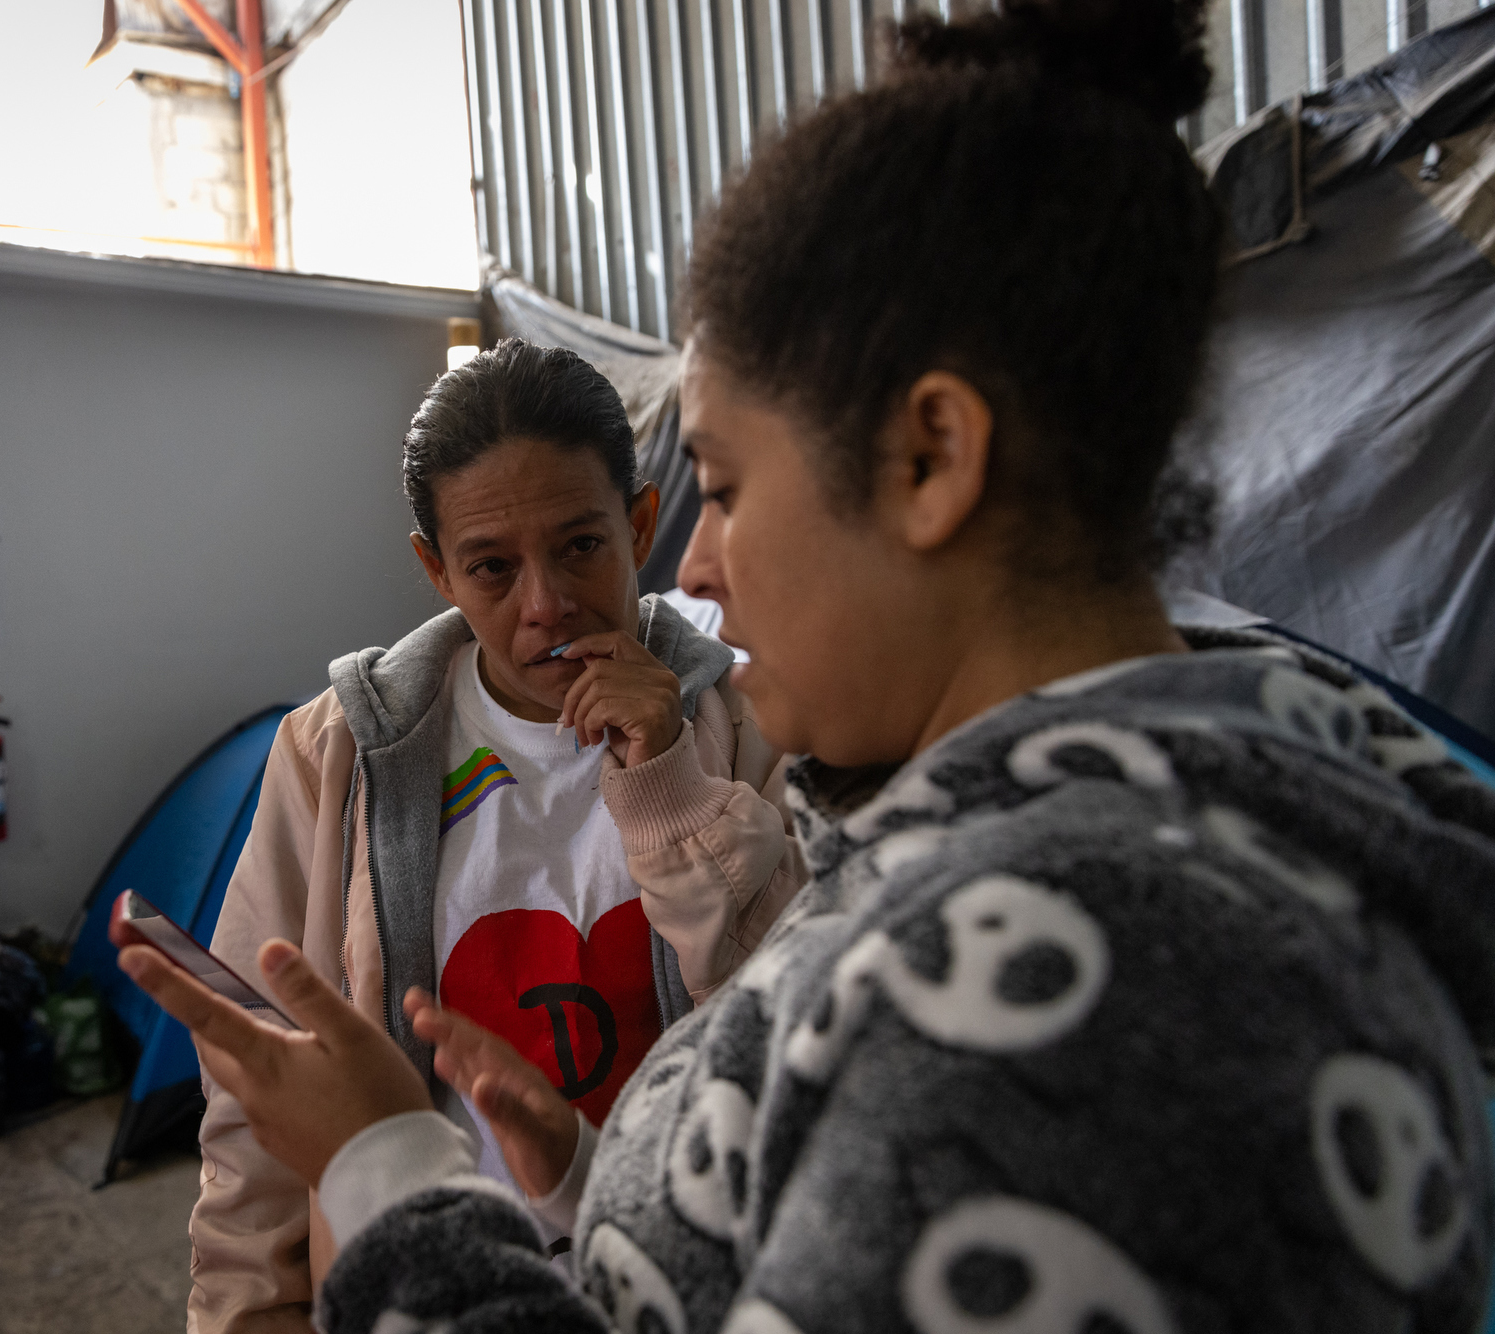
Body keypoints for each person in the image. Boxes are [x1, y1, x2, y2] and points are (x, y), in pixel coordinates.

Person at [116, 0, 1495, 1328]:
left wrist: (386, 1173)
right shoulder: (1040, 853)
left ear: (927, 459)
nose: (695, 573)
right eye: (490, 565)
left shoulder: (1060, 979)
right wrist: (598, 1193)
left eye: (716, 483)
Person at [180, 337, 803, 1334]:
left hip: (685, 1287)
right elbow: (258, 1084)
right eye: (491, 567)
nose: (545, 603)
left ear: (639, 522)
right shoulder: (339, 753)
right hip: (419, 1292)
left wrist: (667, 779)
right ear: (435, 568)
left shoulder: (749, 721)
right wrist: (249, 1304)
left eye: (580, 545)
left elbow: (795, 1034)